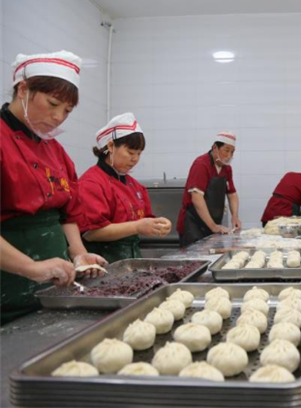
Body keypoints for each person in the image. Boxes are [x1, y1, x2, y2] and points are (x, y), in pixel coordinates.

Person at [0, 51, 107, 324]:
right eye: (53, 104)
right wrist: (30, 267)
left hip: (53, 289)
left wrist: (78, 254)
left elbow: (66, 214)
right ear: (23, 90)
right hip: (7, 289)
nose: (59, 117)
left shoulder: (55, 150)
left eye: (67, 111)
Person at [77, 113, 172, 263]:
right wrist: (137, 227)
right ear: (110, 146)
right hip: (103, 262)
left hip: (131, 262)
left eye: (139, 154)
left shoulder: (135, 186)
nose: (135, 159)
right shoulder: (91, 183)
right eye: (130, 152)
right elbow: (91, 233)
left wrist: (158, 225)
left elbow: (145, 220)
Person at [177, 131, 241, 247]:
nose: (229, 156)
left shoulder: (226, 169)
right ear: (215, 148)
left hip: (212, 225)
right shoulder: (201, 165)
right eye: (226, 150)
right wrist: (213, 226)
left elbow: (232, 194)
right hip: (193, 225)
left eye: (232, 152)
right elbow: (197, 198)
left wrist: (235, 216)